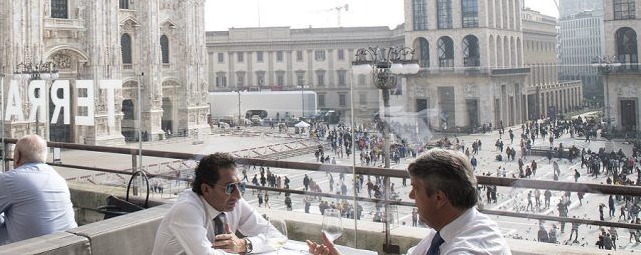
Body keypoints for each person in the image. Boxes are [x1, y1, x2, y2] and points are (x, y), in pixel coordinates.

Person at [308, 148, 510, 255]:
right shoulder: (448, 229)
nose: (411, 196)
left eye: (416, 188)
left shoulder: (464, 249)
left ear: (439, 198)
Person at [151, 152, 286, 255]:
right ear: (206, 189)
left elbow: (278, 238)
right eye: (230, 187)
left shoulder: (234, 202)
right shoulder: (187, 209)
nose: (238, 195)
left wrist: (244, 244)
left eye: (241, 186)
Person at [0, 134, 77, 249]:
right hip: (72, 248)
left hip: (39, 251)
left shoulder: (10, 179)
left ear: (17, 156)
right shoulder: (58, 177)